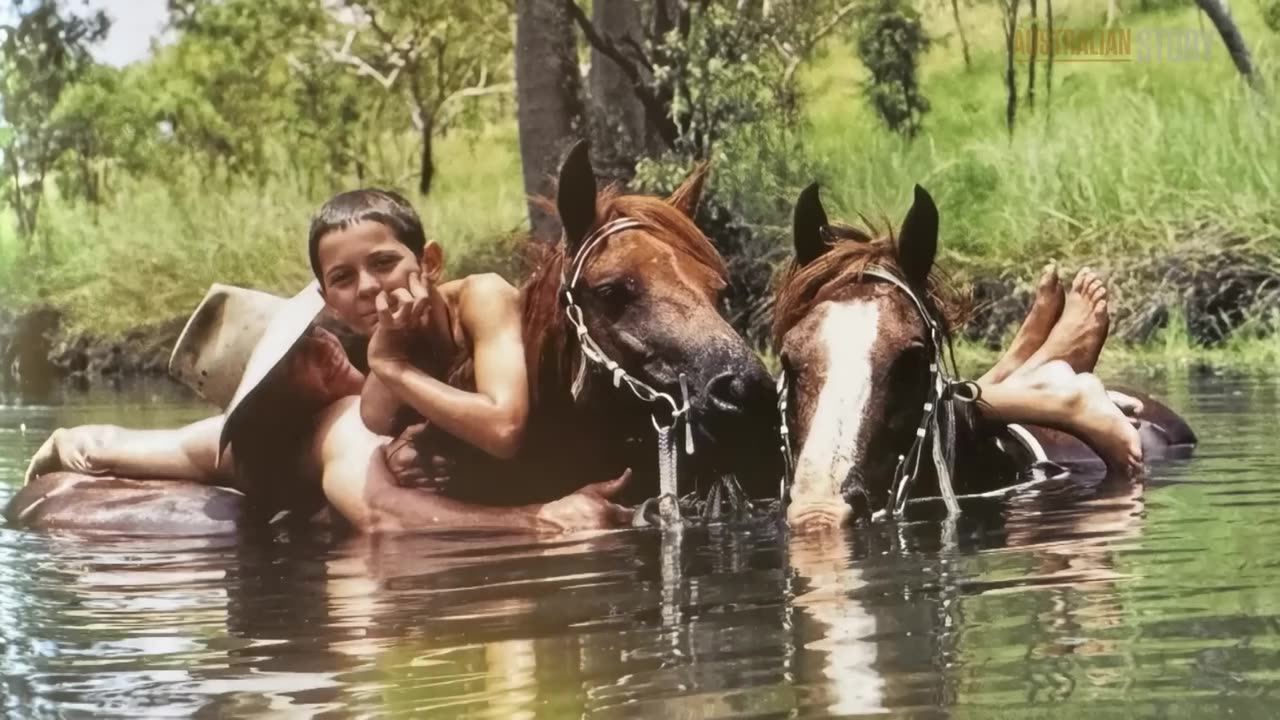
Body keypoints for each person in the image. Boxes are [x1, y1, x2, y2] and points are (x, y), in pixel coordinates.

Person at [17, 283, 632, 534]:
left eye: (312, 332)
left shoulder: (226, 446)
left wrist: (56, 443)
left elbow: (100, 443)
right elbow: (387, 517)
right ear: (275, 395)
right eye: (299, 356)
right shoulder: (343, 429)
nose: (326, 343)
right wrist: (543, 520)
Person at [307, 189, 528, 462]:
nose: (367, 287)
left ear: (430, 263)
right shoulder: (376, 401)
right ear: (329, 303)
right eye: (342, 278)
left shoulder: (484, 297)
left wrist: (390, 365)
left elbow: (503, 430)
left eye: (384, 263)